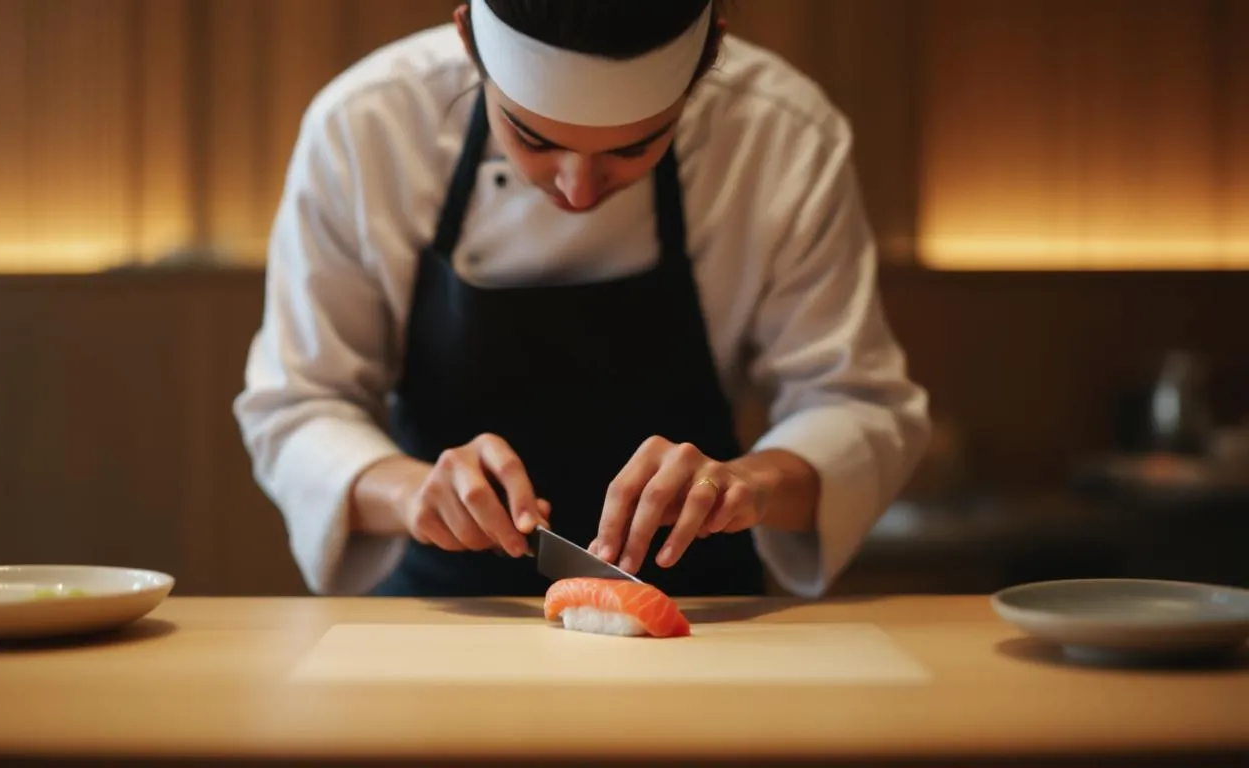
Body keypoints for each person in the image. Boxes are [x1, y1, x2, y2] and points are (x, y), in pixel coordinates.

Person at [233, 0, 931, 599]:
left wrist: (752, 484)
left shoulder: (783, 137)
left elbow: (855, 404)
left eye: (634, 147)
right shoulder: (366, 127)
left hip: (699, 613)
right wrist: (412, 492)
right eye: (532, 138)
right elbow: (298, 405)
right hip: (440, 614)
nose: (578, 190)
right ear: (468, 39)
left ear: (710, 53)